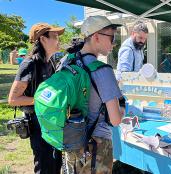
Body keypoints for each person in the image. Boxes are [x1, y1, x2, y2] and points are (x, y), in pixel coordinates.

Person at [65, 15, 124, 174]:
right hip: (97, 146)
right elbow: (116, 120)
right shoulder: (103, 70)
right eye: (111, 38)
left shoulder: (67, 62)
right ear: (96, 36)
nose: (114, 43)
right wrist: (123, 106)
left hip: (70, 140)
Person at [8, 23, 65, 173]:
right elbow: (13, 99)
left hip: (51, 121)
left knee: (55, 164)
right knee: (44, 166)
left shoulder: (50, 62)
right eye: (54, 37)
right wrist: (43, 100)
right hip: (37, 123)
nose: (58, 40)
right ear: (43, 39)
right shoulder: (30, 63)